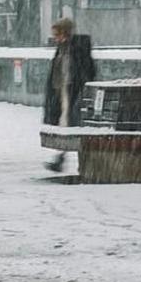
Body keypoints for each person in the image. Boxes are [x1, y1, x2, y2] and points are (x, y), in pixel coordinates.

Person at [43, 18, 97, 172]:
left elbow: (86, 71)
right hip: (64, 91)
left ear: (64, 33)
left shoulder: (77, 48)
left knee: (74, 125)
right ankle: (62, 158)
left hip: (74, 91)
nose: (55, 38)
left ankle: (64, 159)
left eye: (57, 34)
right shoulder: (62, 49)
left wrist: (81, 88)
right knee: (67, 125)